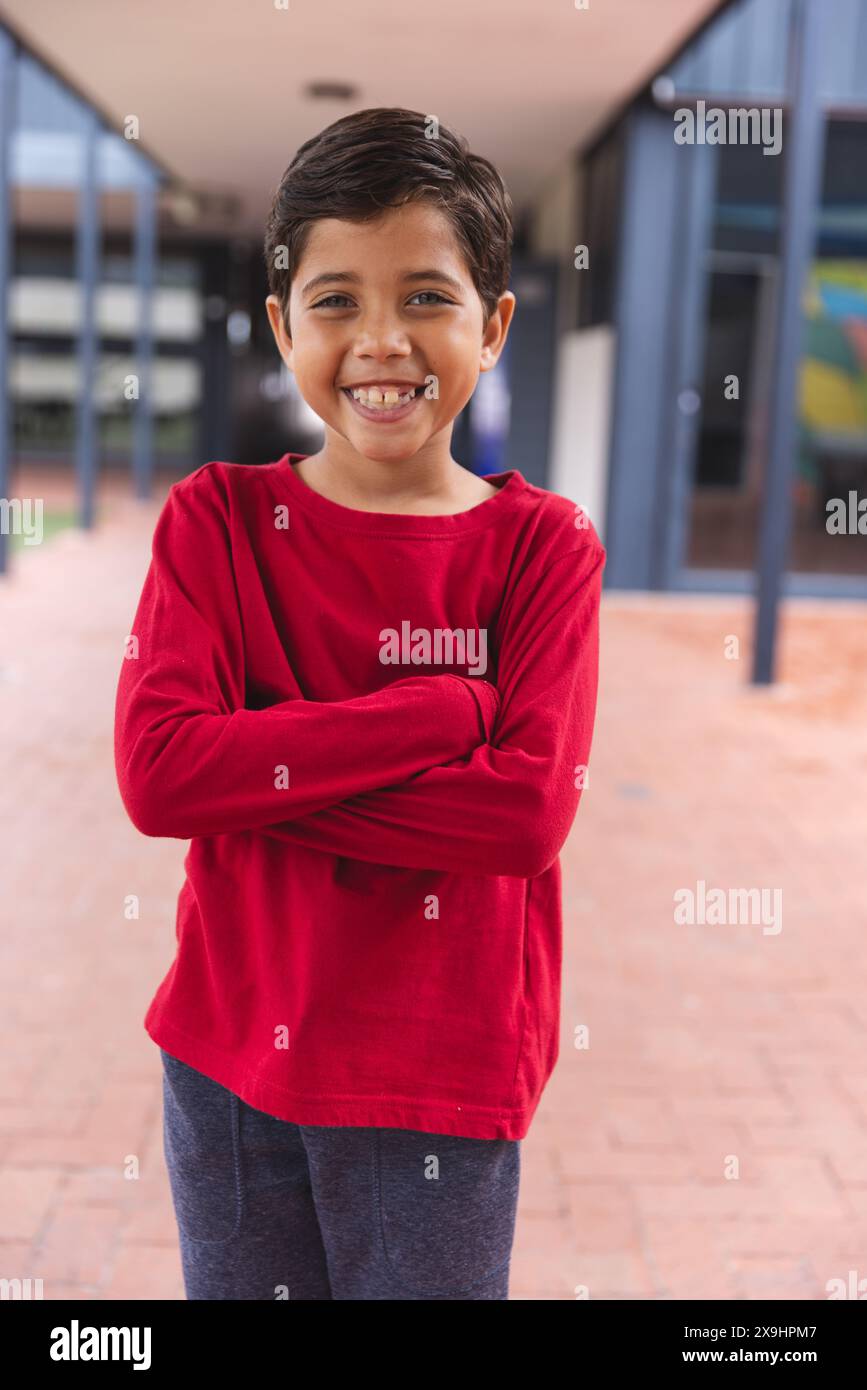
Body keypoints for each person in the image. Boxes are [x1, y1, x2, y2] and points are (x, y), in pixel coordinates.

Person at [113, 106, 605, 1301]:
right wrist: (437, 715)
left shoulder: (542, 548)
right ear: (284, 326)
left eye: (426, 297)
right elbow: (161, 777)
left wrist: (253, 776)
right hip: (229, 1065)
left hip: (438, 1079)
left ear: (492, 326)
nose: (381, 341)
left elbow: (523, 817)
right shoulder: (216, 523)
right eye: (336, 300)